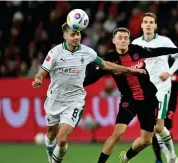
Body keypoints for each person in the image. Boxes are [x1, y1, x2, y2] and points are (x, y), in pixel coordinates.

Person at [32, 23, 145, 163]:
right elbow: (42, 71)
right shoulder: (55, 52)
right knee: (51, 135)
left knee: (61, 140)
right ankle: (51, 154)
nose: (76, 37)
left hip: (75, 101)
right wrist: (38, 78)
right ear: (65, 36)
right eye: (73, 35)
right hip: (55, 99)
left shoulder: (87, 52)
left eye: (78, 34)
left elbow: (106, 64)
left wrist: (130, 70)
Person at [83, 27, 178, 163]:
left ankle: (125, 158)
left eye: (125, 38)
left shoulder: (137, 50)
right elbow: (93, 77)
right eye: (120, 38)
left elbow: (159, 51)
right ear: (114, 40)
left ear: (129, 40)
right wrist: (77, 85)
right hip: (129, 101)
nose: (123, 40)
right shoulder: (110, 60)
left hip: (149, 100)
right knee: (117, 133)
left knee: (146, 140)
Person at [132, 12, 178, 163]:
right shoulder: (135, 44)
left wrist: (169, 72)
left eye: (151, 22)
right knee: (156, 129)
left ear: (155, 26)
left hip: (162, 87)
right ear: (142, 25)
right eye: (146, 22)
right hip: (145, 90)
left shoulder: (164, 41)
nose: (148, 24)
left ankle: (171, 156)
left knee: (158, 127)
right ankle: (171, 157)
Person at [151, 57, 178, 163]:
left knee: (166, 128)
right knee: (155, 130)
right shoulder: (154, 62)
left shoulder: (175, 64)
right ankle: (159, 158)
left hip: (170, 103)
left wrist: (177, 86)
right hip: (157, 100)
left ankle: (170, 155)